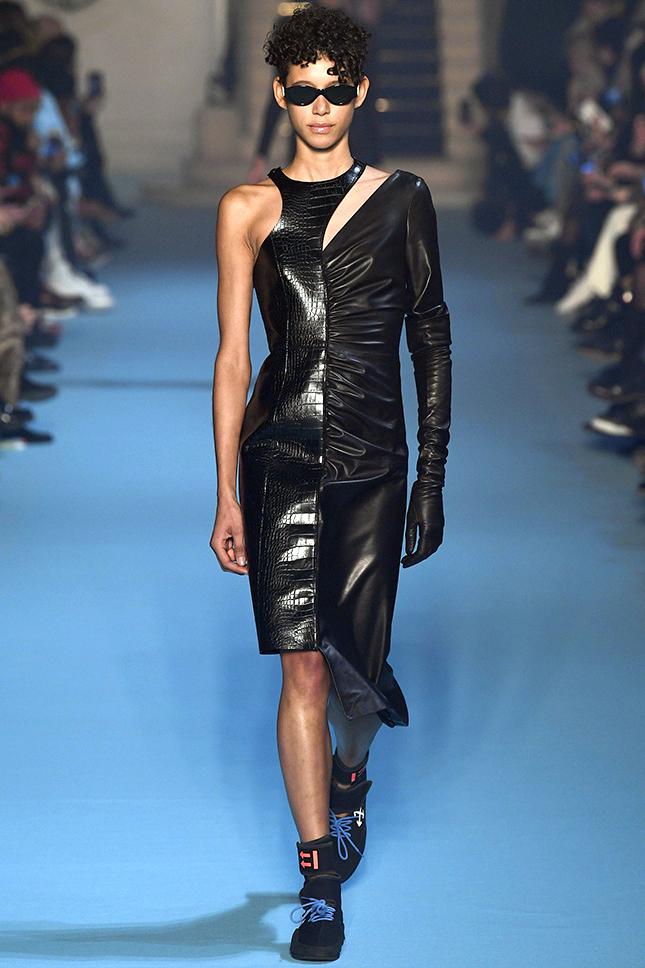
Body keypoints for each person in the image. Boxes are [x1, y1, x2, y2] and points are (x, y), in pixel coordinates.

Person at [209, 5, 452, 961]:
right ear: (280, 92)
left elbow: (430, 336)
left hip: (374, 462)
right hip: (280, 457)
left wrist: (430, 475)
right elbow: (234, 359)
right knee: (302, 667)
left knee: (356, 677)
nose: (319, 104)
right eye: (303, 88)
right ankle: (317, 884)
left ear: (360, 93)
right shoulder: (246, 207)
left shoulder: (402, 198)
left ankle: (352, 778)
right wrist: (224, 493)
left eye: (335, 89)